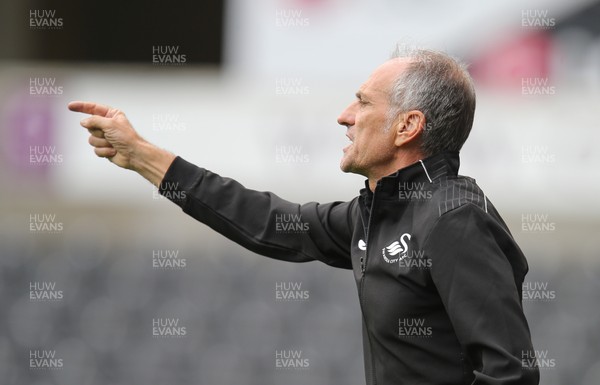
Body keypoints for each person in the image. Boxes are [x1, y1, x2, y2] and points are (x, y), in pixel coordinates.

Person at [68, 49, 540, 384]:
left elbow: (509, 373)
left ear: (407, 126)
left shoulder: (454, 218)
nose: (344, 115)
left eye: (363, 102)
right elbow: (268, 221)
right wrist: (144, 158)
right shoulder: (377, 212)